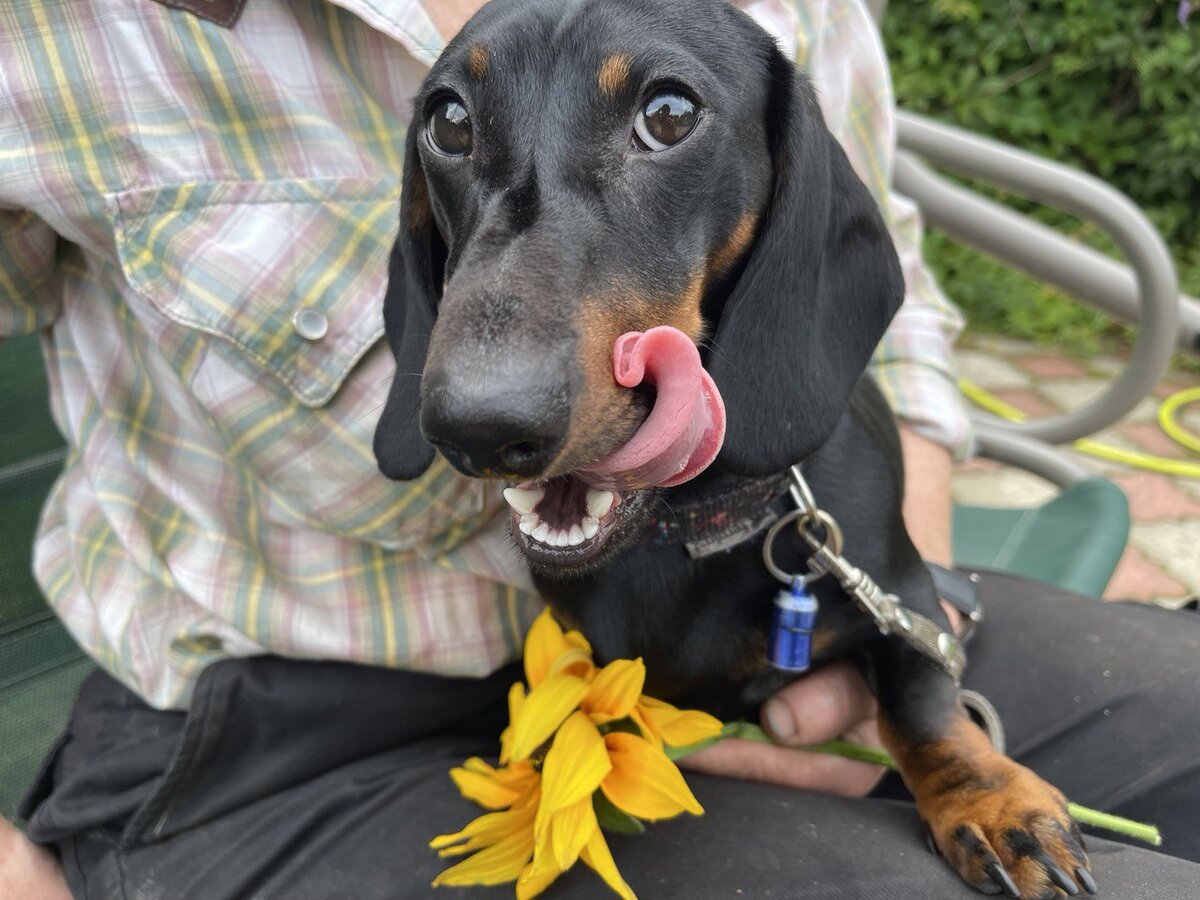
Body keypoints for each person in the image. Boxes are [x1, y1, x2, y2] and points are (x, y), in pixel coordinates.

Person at [1, 1, 1197, 897]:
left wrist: (896, 634)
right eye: (457, 127)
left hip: (769, 592)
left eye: (666, 115)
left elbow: (883, 288)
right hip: (291, 737)